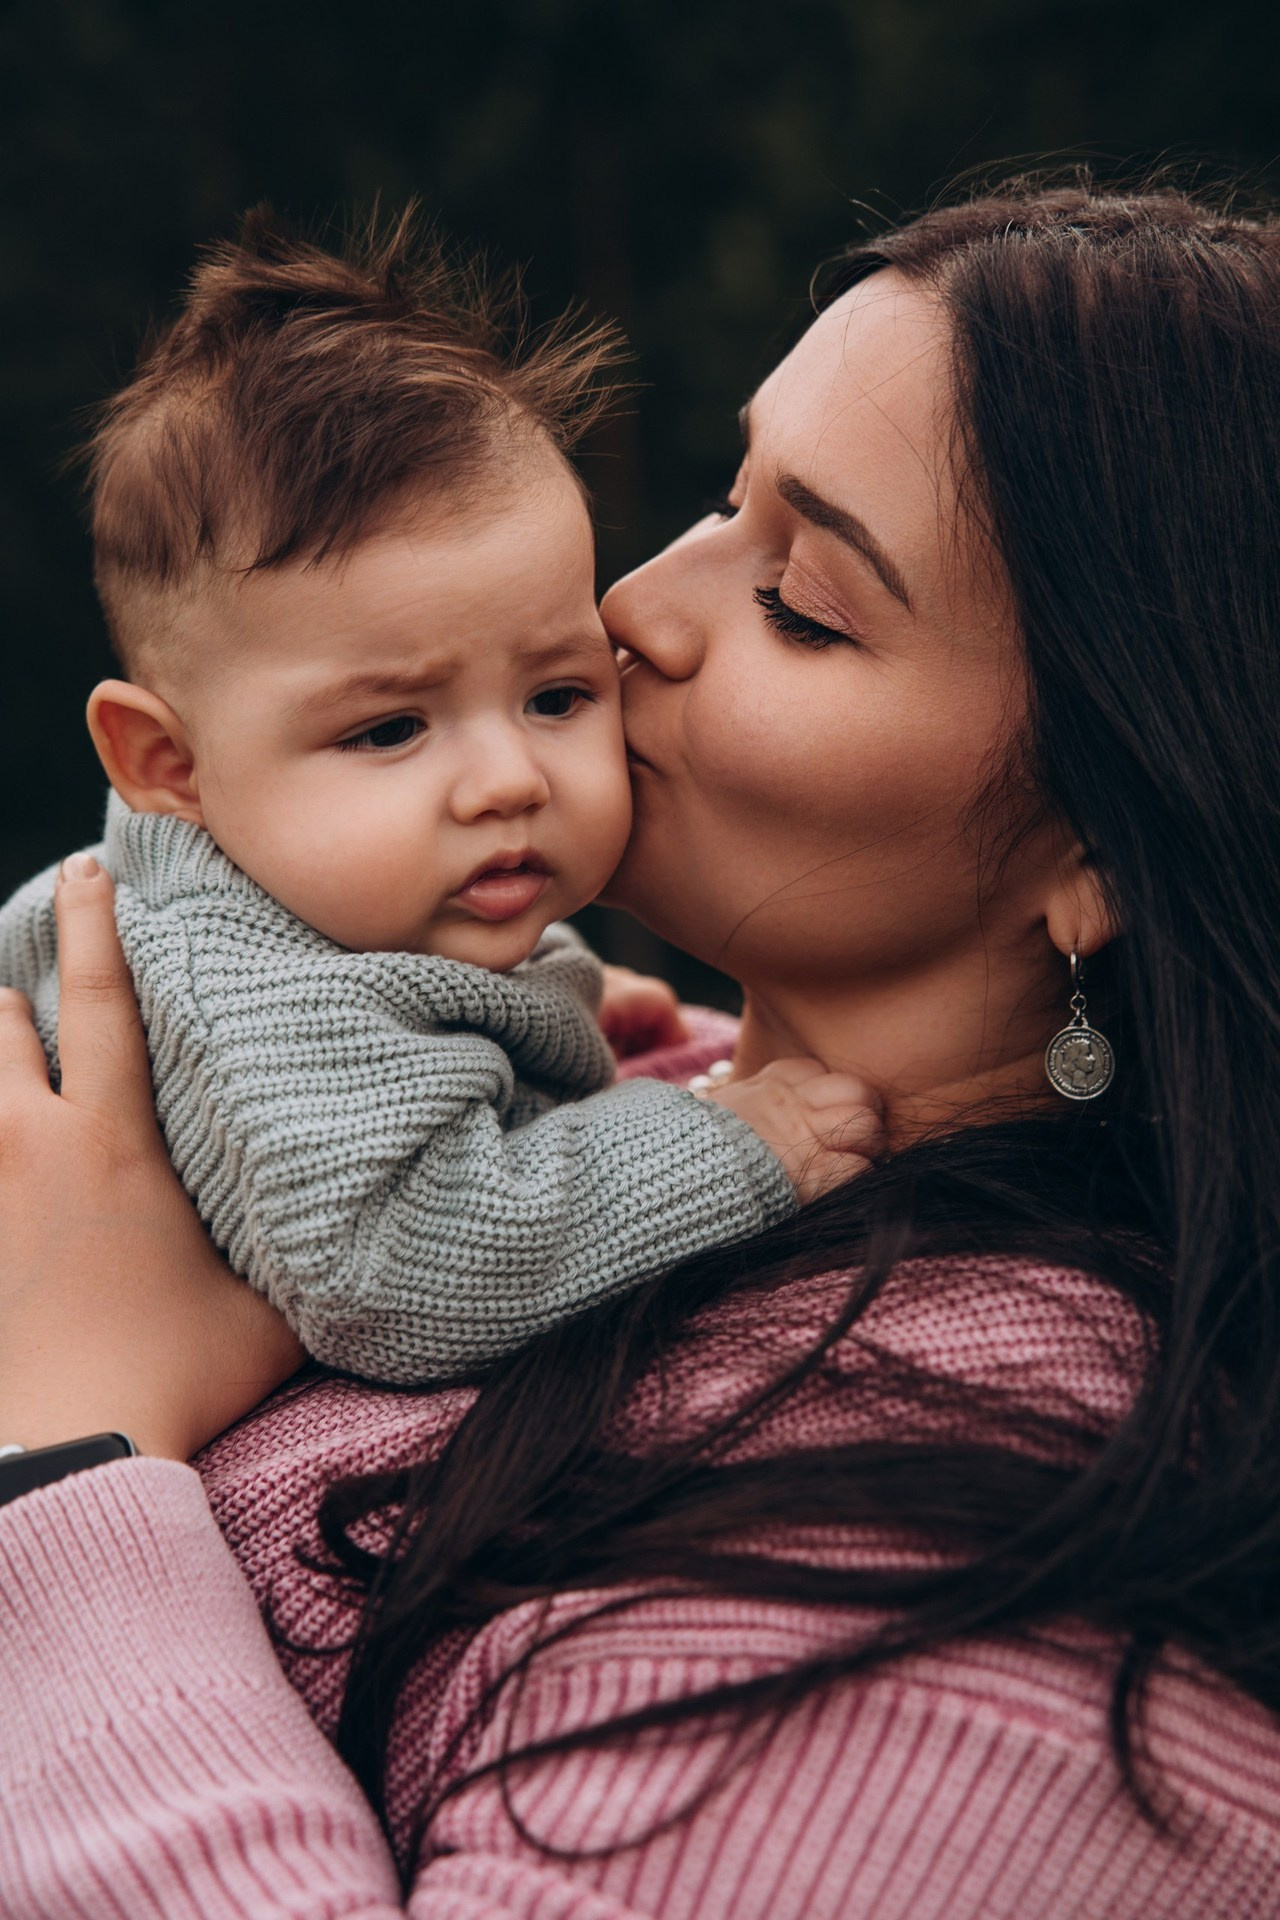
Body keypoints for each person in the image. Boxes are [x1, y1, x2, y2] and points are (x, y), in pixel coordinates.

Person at [4, 174, 1280, 1917]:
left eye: (805, 601)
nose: (633, 616)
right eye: (715, 499)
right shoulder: (612, 1091)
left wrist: (64, 1466)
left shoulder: (1014, 1606)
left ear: (1101, 854)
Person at [0, 213, 877, 1384]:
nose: (508, 778)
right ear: (169, 765)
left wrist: (522, 1007)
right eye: (392, 728)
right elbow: (397, 1269)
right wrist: (733, 1145)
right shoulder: (235, 1001)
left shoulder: (292, 904)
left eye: (557, 695)